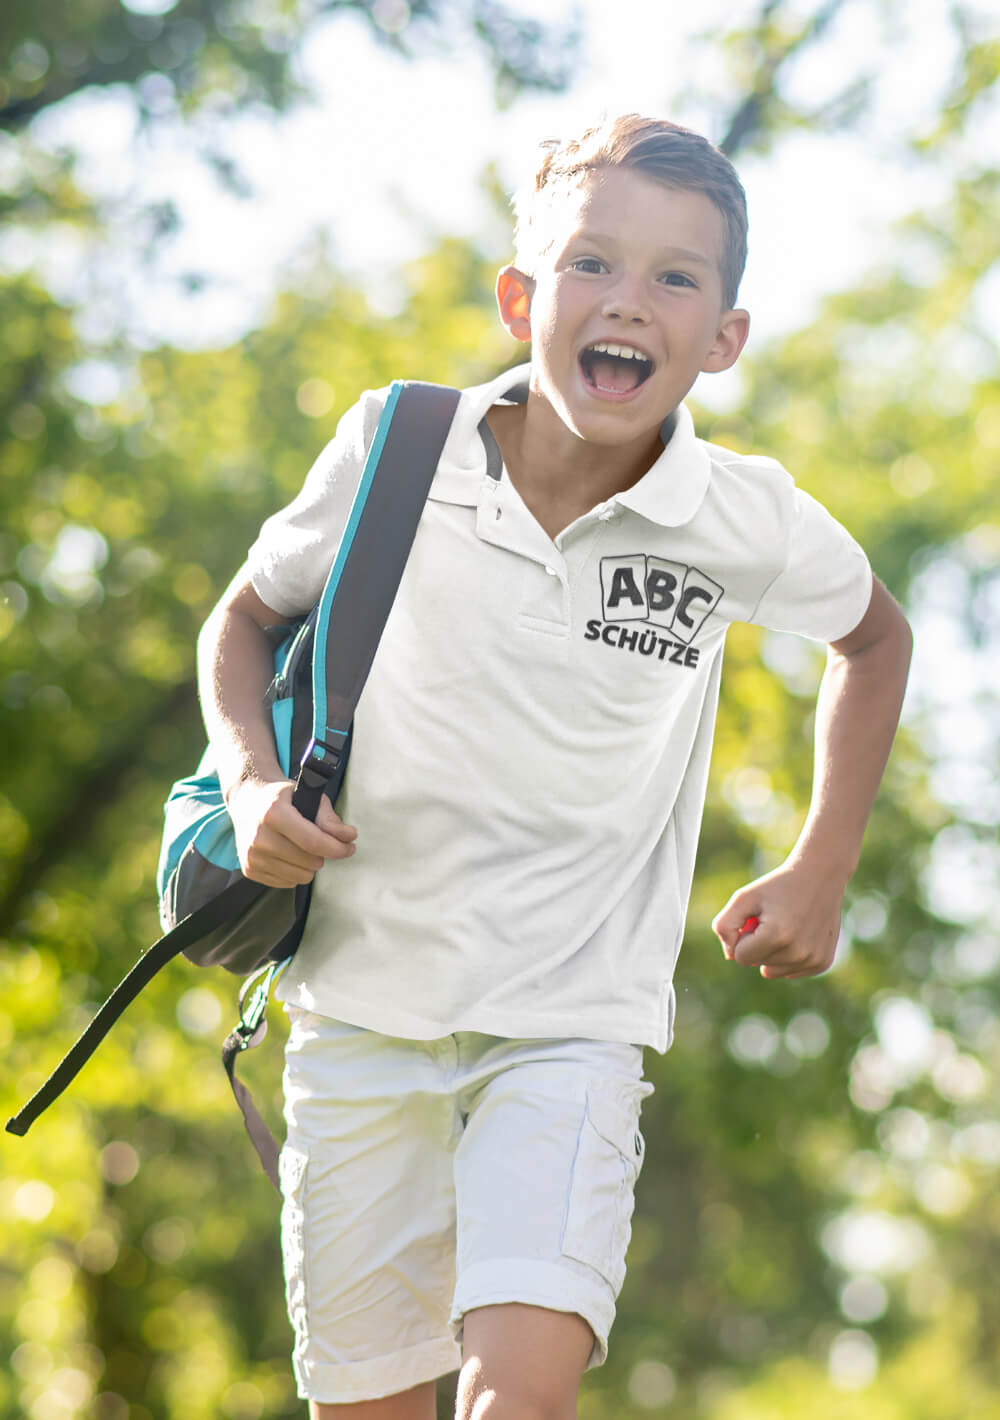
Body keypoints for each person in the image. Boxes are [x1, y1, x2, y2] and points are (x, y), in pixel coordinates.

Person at [196, 114, 913, 1420]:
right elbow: (241, 619)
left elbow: (875, 636)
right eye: (593, 264)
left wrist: (822, 863)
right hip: (359, 1013)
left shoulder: (735, 515)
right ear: (522, 295)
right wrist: (251, 787)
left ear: (727, 338)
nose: (628, 301)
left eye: (676, 278)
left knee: (515, 1400)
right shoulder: (394, 448)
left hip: (570, 1026)